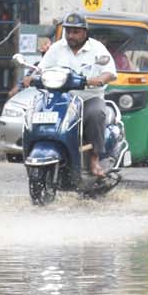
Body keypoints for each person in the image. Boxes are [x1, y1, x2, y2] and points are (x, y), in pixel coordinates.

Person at [29, 11, 116, 177]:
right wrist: (30, 77)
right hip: (62, 98)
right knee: (39, 110)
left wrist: (98, 79)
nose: (71, 35)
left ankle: (94, 159)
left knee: (96, 113)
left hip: (88, 98)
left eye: (75, 32)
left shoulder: (97, 48)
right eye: (68, 31)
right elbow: (41, 69)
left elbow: (110, 72)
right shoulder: (56, 48)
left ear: (85, 32)